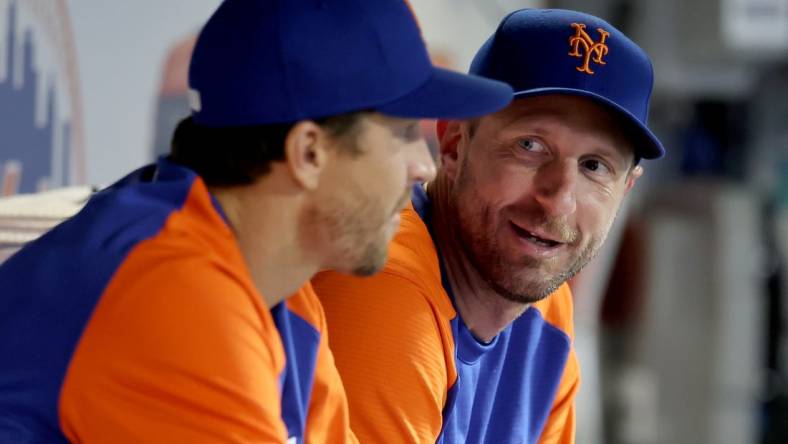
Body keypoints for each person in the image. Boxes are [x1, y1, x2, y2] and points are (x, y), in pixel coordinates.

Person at [0, 1, 513, 442]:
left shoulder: (283, 293)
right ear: (309, 152)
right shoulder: (173, 291)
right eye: (403, 133)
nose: (423, 167)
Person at [312, 8, 665, 444]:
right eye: (530, 146)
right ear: (455, 141)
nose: (558, 199)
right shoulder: (383, 284)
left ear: (625, 189)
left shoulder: (545, 312)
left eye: (595, 166)